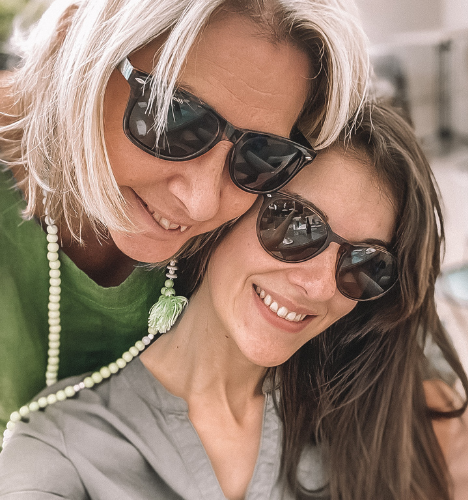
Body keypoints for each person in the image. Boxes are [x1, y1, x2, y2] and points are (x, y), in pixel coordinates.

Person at [0, 103, 468, 500]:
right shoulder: (60, 447)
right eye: (296, 225)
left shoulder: (364, 422)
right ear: (230, 211)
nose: (321, 286)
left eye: (365, 264)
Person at [0, 0, 371, 430]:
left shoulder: (266, 207)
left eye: (262, 155)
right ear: (74, 46)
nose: (202, 203)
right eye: (172, 120)